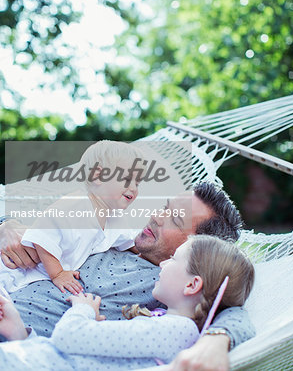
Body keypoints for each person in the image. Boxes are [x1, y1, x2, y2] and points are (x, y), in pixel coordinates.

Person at [0, 182, 255, 370]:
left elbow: (233, 310)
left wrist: (216, 341)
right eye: (165, 207)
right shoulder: (113, 231)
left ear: (200, 249)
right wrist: (6, 224)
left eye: (174, 219)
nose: (156, 215)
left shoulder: (170, 287)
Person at [0, 140, 145, 294]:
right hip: (16, 269)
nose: (134, 188)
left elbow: (130, 242)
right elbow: (41, 236)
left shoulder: (114, 216)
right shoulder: (76, 205)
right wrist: (58, 274)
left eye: (138, 183)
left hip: (33, 281)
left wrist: (156, 258)